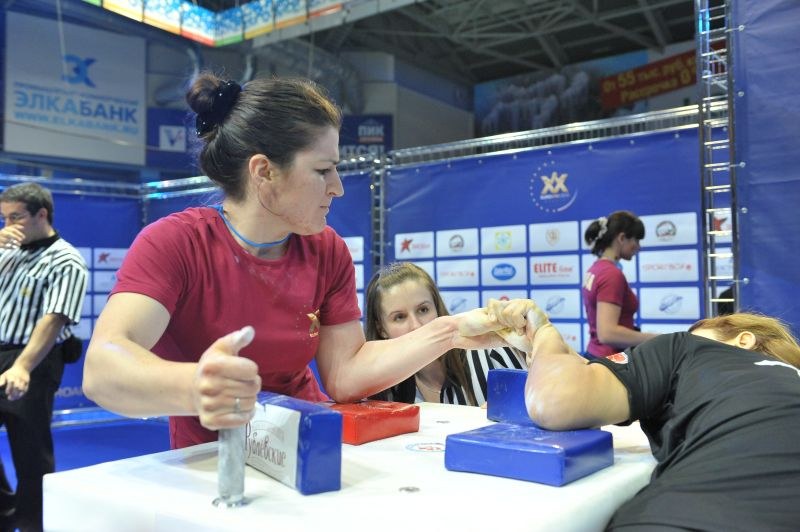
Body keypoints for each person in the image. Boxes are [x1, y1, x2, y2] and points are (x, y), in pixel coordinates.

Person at [83, 74, 515, 450]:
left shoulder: (327, 250)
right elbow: (103, 369)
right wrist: (196, 386)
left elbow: (344, 376)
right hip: (211, 457)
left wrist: (453, 330)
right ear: (264, 172)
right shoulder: (175, 242)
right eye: (324, 170)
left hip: (310, 443)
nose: (338, 188)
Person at [480, 299, 800, 530]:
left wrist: (544, 333)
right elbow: (600, 380)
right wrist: (543, 356)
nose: (686, 336)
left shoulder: (687, 350)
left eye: (695, 332)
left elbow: (556, 400)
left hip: (689, 516)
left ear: (742, 339)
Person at [0, 183, 88, 532]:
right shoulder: (6, 251)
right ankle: (6, 515)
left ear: (42, 215)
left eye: (15, 217)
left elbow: (53, 320)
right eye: (4, 218)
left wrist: (22, 366)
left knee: (30, 451)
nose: (8, 225)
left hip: (34, 358)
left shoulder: (67, 259)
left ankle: (35, 524)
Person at [364, 262, 528, 406]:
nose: (416, 325)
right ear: (381, 329)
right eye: (399, 317)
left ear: (437, 310)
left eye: (423, 310)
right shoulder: (383, 390)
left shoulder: (492, 351)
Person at [582, 210, 657, 357]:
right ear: (622, 238)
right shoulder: (611, 274)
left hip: (596, 355)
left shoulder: (596, 268)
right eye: (636, 240)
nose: (638, 247)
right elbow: (607, 334)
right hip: (611, 363)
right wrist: (655, 339)